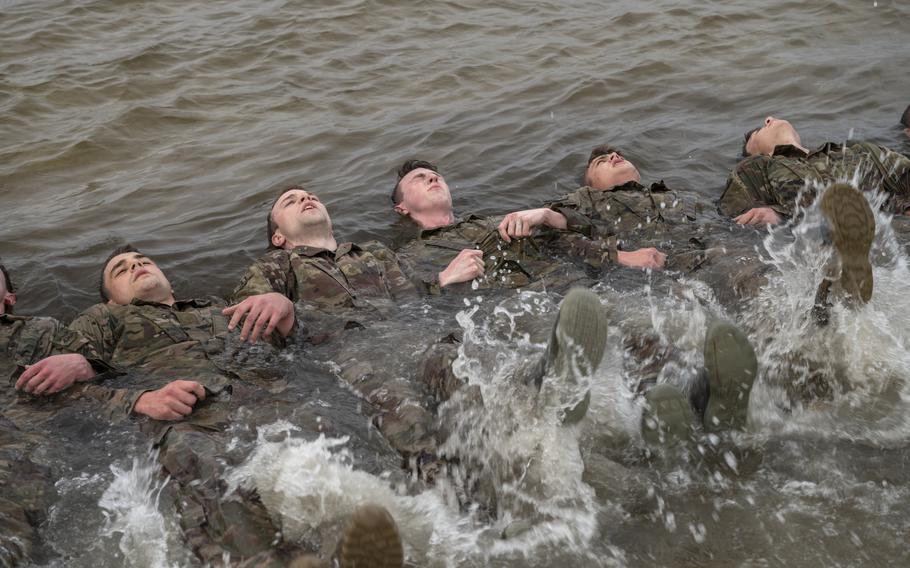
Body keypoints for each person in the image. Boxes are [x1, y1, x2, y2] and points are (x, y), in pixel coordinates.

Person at [391, 159, 653, 295]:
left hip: (579, 287)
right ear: (401, 207)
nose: (433, 177)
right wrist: (442, 279)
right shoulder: (411, 255)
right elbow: (398, 306)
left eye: (436, 176)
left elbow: (581, 233)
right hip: (518, 313)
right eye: (419, 178)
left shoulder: (499, 221)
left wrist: (548, 216)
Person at [721, 116, 910, 226]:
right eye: (760, 130)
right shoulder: (756, 168)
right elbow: (735, 220)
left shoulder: (855, 150)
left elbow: (904, 174)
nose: (769, 120)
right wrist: (779, 216)